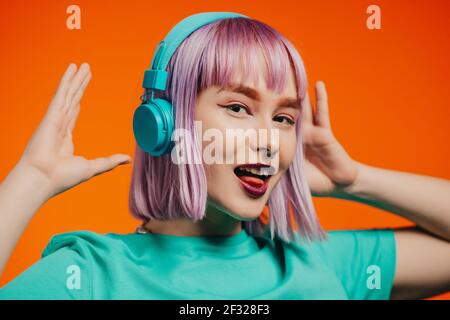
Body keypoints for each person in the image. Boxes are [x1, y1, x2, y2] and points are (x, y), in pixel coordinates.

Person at [0, 12, 449, 300]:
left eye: (285, 119)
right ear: (166, 123)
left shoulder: (319, 263)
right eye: (238, 108)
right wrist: (32, 180)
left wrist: (354, 180)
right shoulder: (91, 276)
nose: (270, 140)